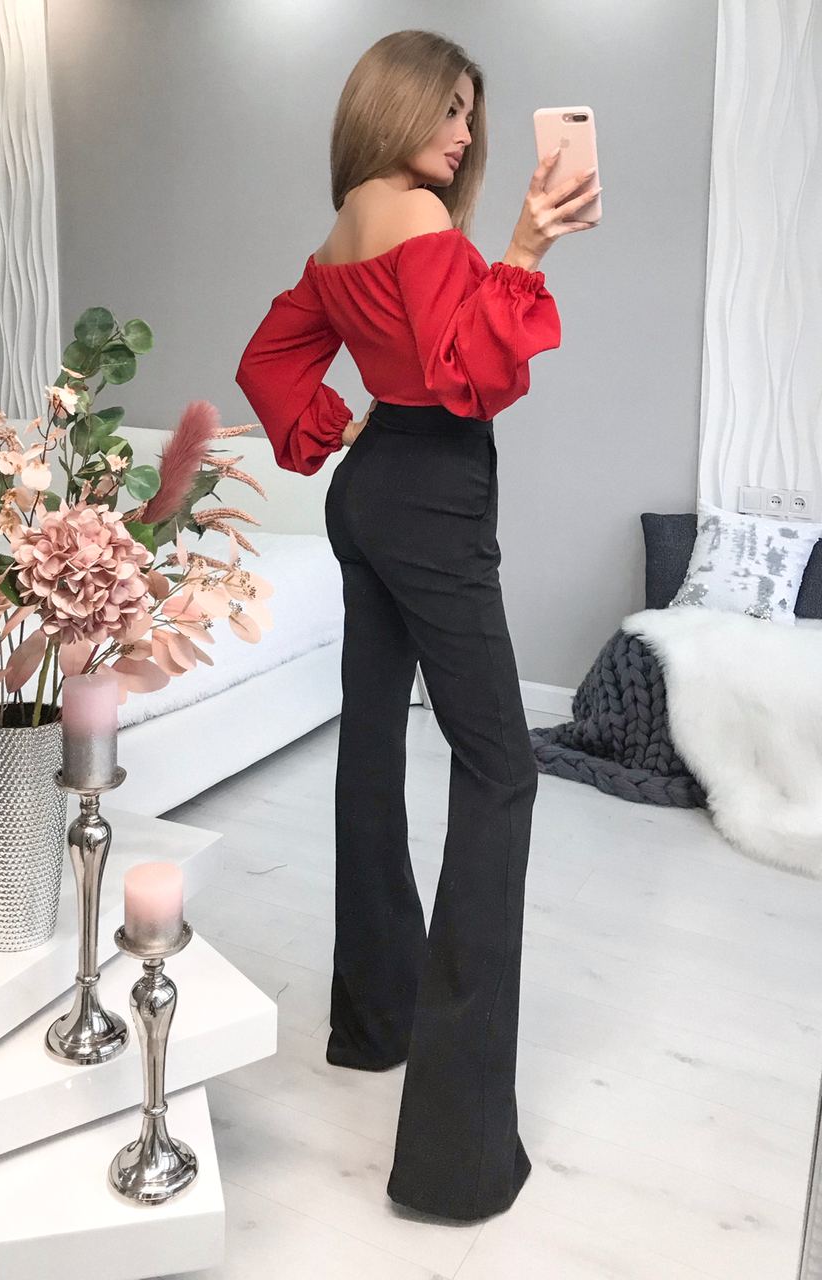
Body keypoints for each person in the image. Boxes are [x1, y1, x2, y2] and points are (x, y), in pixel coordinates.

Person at [234, 29, 599, 1223]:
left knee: (377, 745)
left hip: (372, 492)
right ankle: (452, 1153)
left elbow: (271, 354)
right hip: (433, 495)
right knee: (502, 769)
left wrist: (337, 426)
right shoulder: (426, 223)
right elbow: (470, 372)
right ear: (393, 108)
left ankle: (376, 1020)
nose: (463, 134)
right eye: (446, 110)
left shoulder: (350, 219)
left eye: (470, 117)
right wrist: (528, 247)